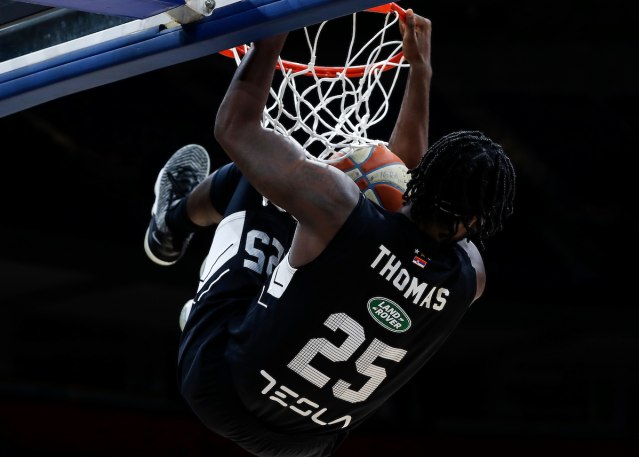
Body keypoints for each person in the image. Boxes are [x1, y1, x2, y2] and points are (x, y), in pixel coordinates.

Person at [143, 9, 516, 457]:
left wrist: (275, 22)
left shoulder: (339, 209)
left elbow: (235, 129)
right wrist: (421, 72)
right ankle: (235, 294)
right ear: (479, 221)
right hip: (307, 443)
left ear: (424, 177)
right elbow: (412, 193)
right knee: (311, 238)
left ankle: (170, 230)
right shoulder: (471, 277)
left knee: (260, 182)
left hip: (217, 382)